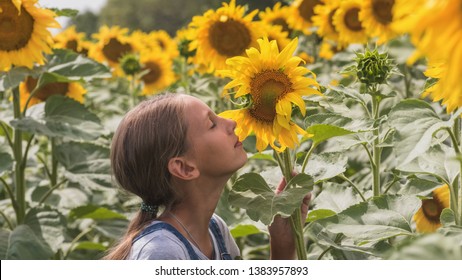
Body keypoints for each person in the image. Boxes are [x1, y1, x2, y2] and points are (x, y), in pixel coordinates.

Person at [104, 92, 311, 260]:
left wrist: (283, 245)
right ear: (185, 168)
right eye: (212, 124)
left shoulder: (215, 229)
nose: (231, 122)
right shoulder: (161, 253)